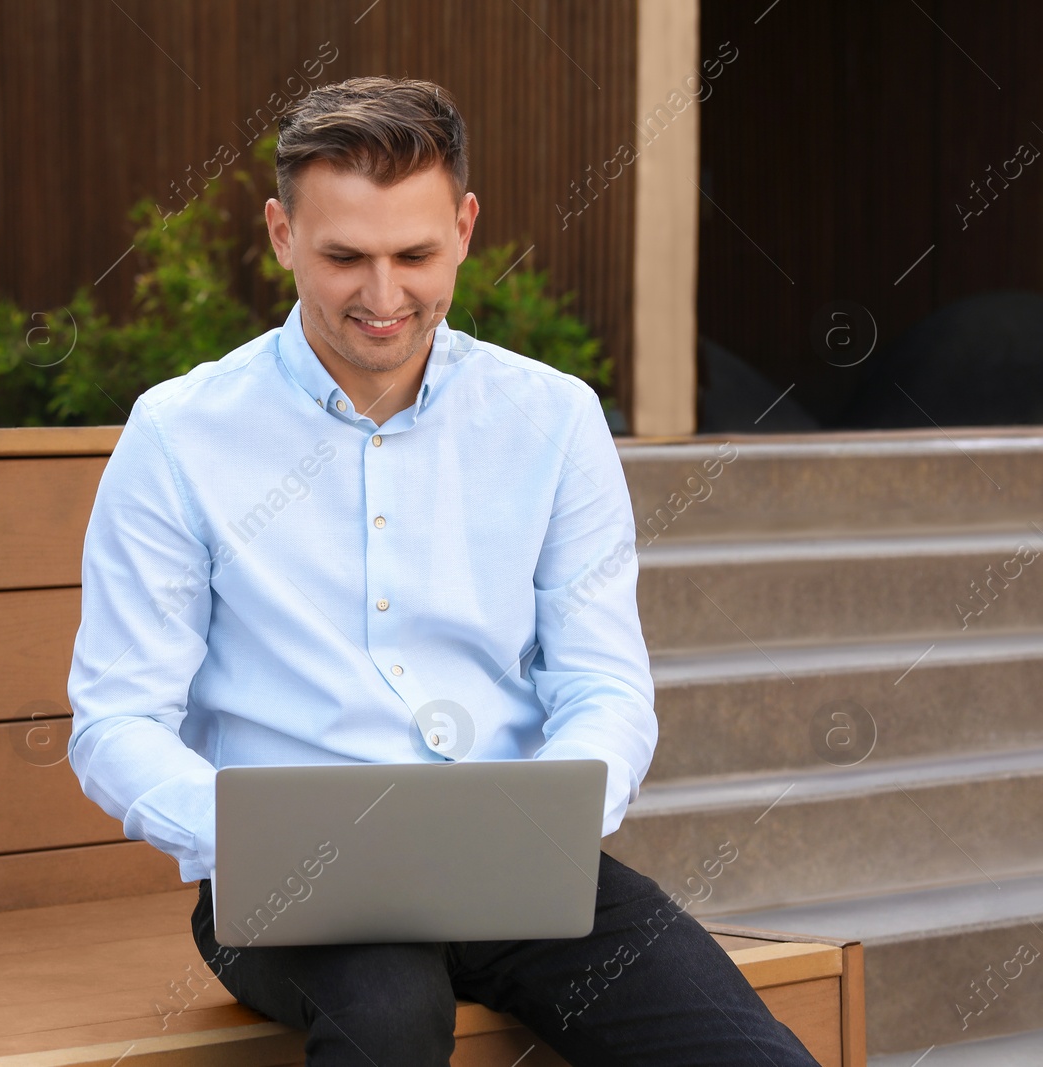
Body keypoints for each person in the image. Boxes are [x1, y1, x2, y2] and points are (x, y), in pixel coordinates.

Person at [66, 75, 819, 1066]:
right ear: (282, 235)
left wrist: (538, 819)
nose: (383, 298)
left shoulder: (551, 419)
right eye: (344, 257)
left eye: (414, 254)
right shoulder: (179, 434)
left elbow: (601, 680)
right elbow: (115, 719)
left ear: (463, 227)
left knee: (744, 1055)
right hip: (292, 891)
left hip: (515, 864)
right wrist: (249, 839)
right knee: (387, 1016)